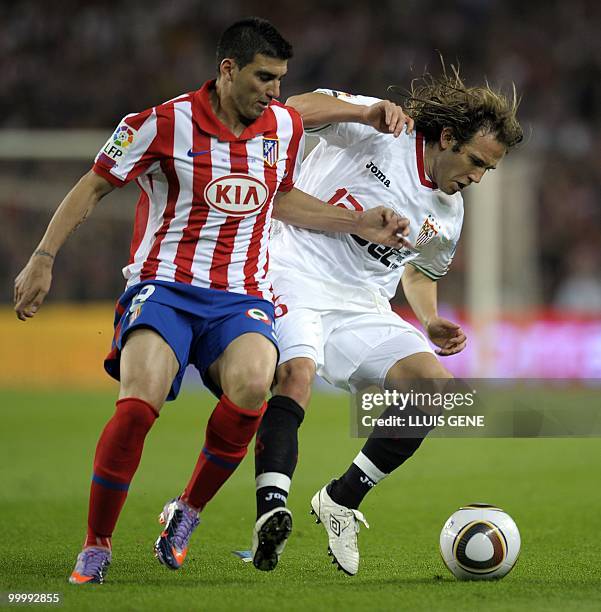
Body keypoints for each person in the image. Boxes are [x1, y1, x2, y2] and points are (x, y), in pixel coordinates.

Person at [13, 18, 409, 585]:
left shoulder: (280, 128)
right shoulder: (157, 124)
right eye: (263, 78)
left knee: (254, 385)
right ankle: (96, 544)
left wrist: (357, 220)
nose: (273, 92)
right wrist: (44, 256)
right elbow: (94, 183)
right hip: (164, 287)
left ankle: (187, 512)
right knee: (139, 404)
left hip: (241, 294)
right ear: (228, 70)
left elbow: (284, 197)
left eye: (279, 80)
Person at [252, 69, 523, 574]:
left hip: (364, 305)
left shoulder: (449, 211)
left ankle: (342, 499)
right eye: (476, 162)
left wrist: (431, 317)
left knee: (435, 386)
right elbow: (290, 111)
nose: (478, 178)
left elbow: (419, 271)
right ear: (447, 138)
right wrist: (360, 112)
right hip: (292, 273)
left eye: (489, 170)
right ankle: (271, 511)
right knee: (296, 375)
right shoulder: (382, 126)